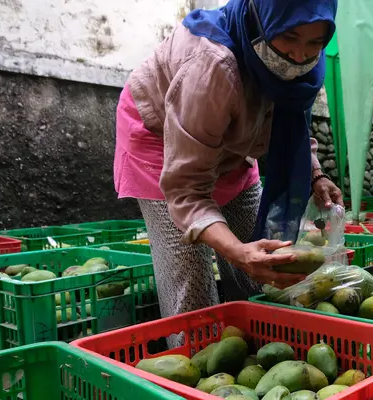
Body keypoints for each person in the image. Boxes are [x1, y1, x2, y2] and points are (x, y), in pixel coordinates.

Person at [112, 0, 343, 322]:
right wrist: (236, 252)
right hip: (163, 139)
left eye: (315, 43)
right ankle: (190, 352)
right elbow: (186, 189)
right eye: (289, 37)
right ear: (262, 21)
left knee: (263, 255)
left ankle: (259, 337)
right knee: (191, 278)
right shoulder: (212, 65)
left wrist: (315, 174)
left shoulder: (298, 70)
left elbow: (287, 123)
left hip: (233, 144)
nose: (301, 55)